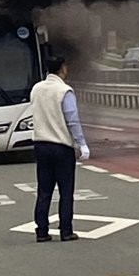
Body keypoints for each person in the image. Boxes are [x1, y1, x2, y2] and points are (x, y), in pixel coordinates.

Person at [30, 55, 90, 243]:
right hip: (61, 146)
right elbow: (72, 119)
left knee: (44, 190)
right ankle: (66, 230)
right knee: (65, 191)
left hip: (41, 145)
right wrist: (82, 143)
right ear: (62, 69)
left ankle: (41, 231)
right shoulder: (64, 91)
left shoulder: (36, 89)